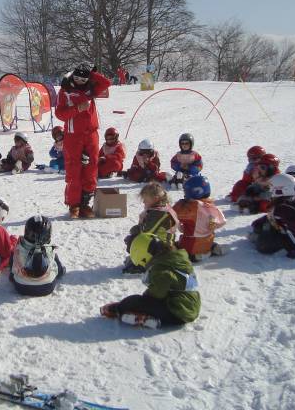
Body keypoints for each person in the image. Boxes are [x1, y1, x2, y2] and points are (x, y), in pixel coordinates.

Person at [101, 226, 201, 328]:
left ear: (144, 256)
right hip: (190, 307)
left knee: (135, 301)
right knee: (145, 301)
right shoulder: (176, 258)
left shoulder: (160, 267)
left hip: (177, 311)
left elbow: (161, 286)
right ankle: (145, 315)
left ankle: (119, 309)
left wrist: (144, 300)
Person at [54, 64, 111, 218]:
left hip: (91, 134)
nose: (79, 81)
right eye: (77, 77)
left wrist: (92, 73)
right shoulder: (65, 91)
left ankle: (85, 203)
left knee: (91, 167)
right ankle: (74, 205)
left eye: (83, 78)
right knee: (74, 169)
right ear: (72, 76)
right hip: (73, 135)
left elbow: (106, 83)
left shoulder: (91, 88)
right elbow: (59, 114)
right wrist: (77, 109)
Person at [122, 182, 179, 274]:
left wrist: (138, 225)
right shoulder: (164, 208)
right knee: (135, 239)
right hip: (165, 245)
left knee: (132, 240)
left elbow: (146, 232)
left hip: (162, 248)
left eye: (145, 200)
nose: (144, 202)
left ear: (155, 199)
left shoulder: (158, 213)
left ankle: (143, 264)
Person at [249, 174, 295, 259]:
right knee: (259, 226)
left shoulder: (282, 209)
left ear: (281, 190)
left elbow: (288, 231)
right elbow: (271, 217)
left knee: (263, 245)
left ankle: (258, 238)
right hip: (283, 232)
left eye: (272, 188)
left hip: (288, 239)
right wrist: (258, 223)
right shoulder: (289, 202)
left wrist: (293, 249)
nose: (270, 191)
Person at [173, 176, 226, 262]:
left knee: (176, 250)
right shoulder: (209, 205)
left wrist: (179, 204)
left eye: (185, 191)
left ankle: (197, 256)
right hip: (208, 240)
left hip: (192, 243)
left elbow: (174, 214)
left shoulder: (191, 208)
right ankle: (213, 248)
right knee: (204, 241)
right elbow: (219, 221)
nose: (184, 194)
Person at [10, 215, 65, 296]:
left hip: (21, 287)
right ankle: (59, 270)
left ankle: (15, 275)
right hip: (47, 287)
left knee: (14, 256)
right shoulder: (48, 248)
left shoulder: (20, 246)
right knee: (54, 257)